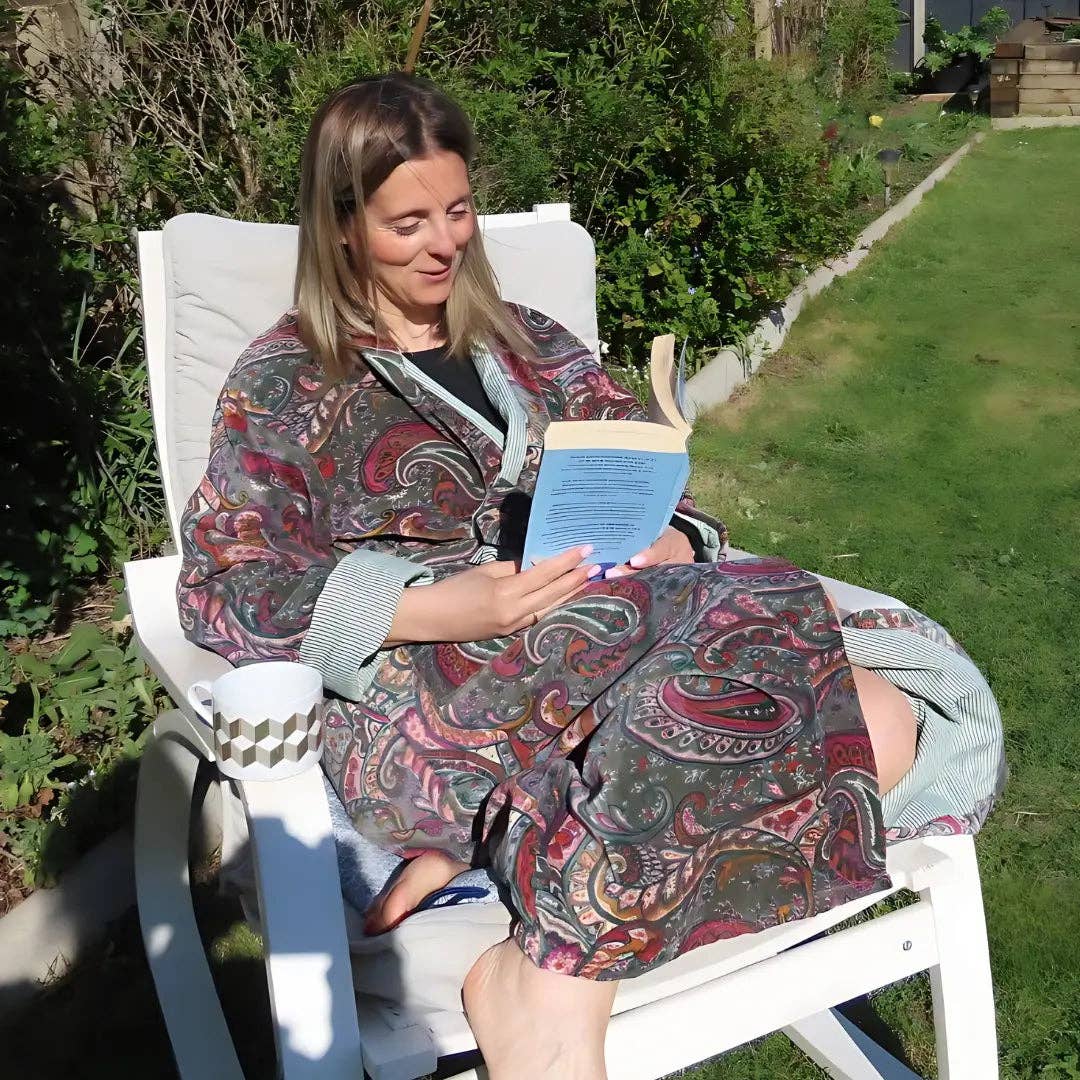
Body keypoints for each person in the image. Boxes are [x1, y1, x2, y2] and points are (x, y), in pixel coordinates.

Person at [177, 73, 1004, 1079]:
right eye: (407, 224)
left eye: (458, 211)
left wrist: (672, 537)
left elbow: (636, 460)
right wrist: (430, 605)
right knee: (807, 651)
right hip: (442, 684)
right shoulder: (288, 379)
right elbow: (223, 583)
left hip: (618, 637)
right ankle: (549, 979)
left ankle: (524, 873)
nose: (444, 244)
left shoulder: (527, 341)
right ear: (342, 225)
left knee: (879, 717)